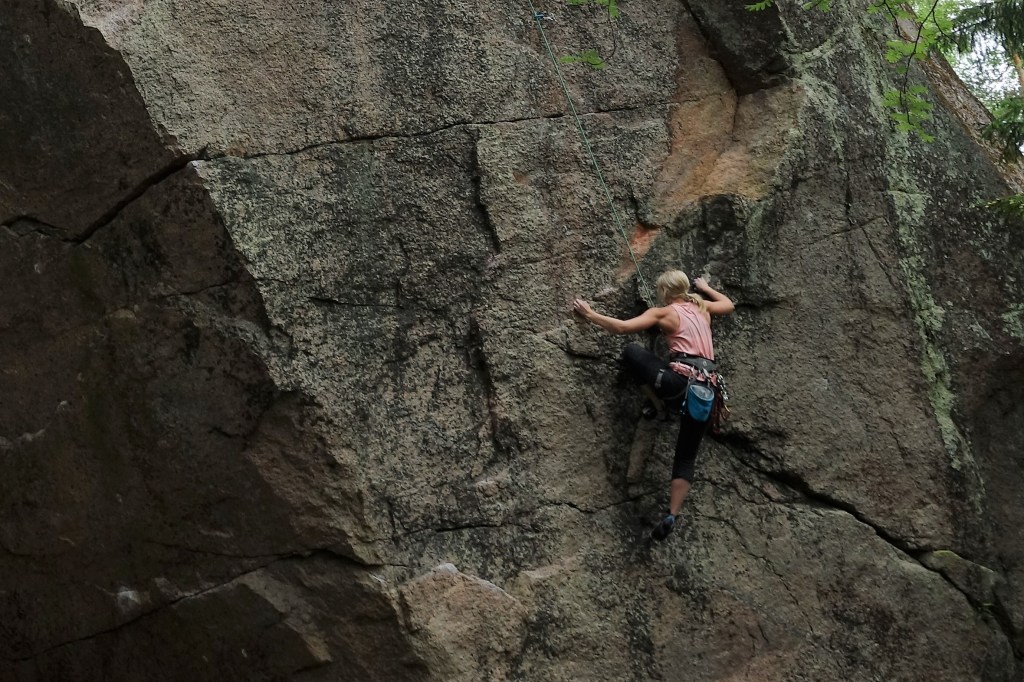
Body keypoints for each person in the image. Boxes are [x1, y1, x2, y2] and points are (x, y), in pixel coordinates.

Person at [573, 270, 735, 541]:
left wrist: (590, 314)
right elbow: (729, 304)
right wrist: (706, 287)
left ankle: (659, 407)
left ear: (664, 292)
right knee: (685, 456)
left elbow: (623, 328)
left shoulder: (663, 313)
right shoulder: (701, 305)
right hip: (708, 390)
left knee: (631, 353)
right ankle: (672, 513)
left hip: (679, 383)